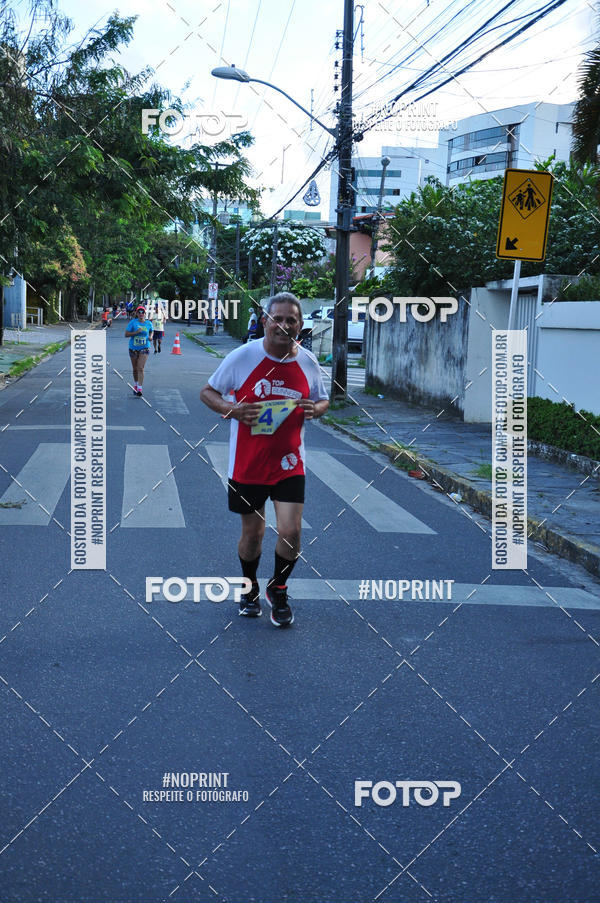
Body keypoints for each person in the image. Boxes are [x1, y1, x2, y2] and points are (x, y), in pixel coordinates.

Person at [200, 292, 329, 627]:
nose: (283, 325)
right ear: (265, 321)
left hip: (290, 463)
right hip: (248, 463)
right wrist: (233, 409)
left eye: (291, 320)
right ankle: (249, 587)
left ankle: (280, 589)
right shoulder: (243, 357)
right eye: (278, 318)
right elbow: (207, 392)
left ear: (300, 326)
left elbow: (322, 399)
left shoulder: (308, 362)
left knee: (292, 531)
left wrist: (315, 409)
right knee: (253, 533)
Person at [125, 305, 153, 396]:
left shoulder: (148, 323)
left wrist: (151, 337)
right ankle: (136, 384)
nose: (141, 314)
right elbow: (126, 334)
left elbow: (151, 331)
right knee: (135, 369)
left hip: (144, 347)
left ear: (145, 314)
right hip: (133, 348)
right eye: (139, 312)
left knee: (140, 368)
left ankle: (140, 389)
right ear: (136, 313)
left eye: (142, 312)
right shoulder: (133, 322)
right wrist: (135, 332)